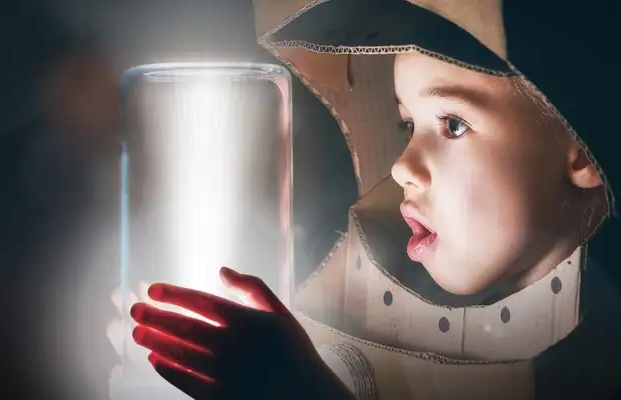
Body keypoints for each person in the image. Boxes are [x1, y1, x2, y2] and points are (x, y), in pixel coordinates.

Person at [116, 0, 621, 398]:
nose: (401, 165)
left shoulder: (594, 354)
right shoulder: (367, 296)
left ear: (578, 154)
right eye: (407, 125)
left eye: (452, 124)